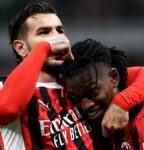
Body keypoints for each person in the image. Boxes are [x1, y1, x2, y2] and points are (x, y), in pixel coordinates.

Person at [1, 1, 100, 150]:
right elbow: (7, 109)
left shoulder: (78, 83)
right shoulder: (4, 87)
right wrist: (45, 47)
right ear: (21, 48)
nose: (57, 38)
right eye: (44, 32)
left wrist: (121, 104)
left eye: (60, 31)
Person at [62, 38, 144, 149]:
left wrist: (122, 103)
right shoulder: (74, 121)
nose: (85, 105)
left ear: (114, 77)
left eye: (92, 93)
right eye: (76, 99)